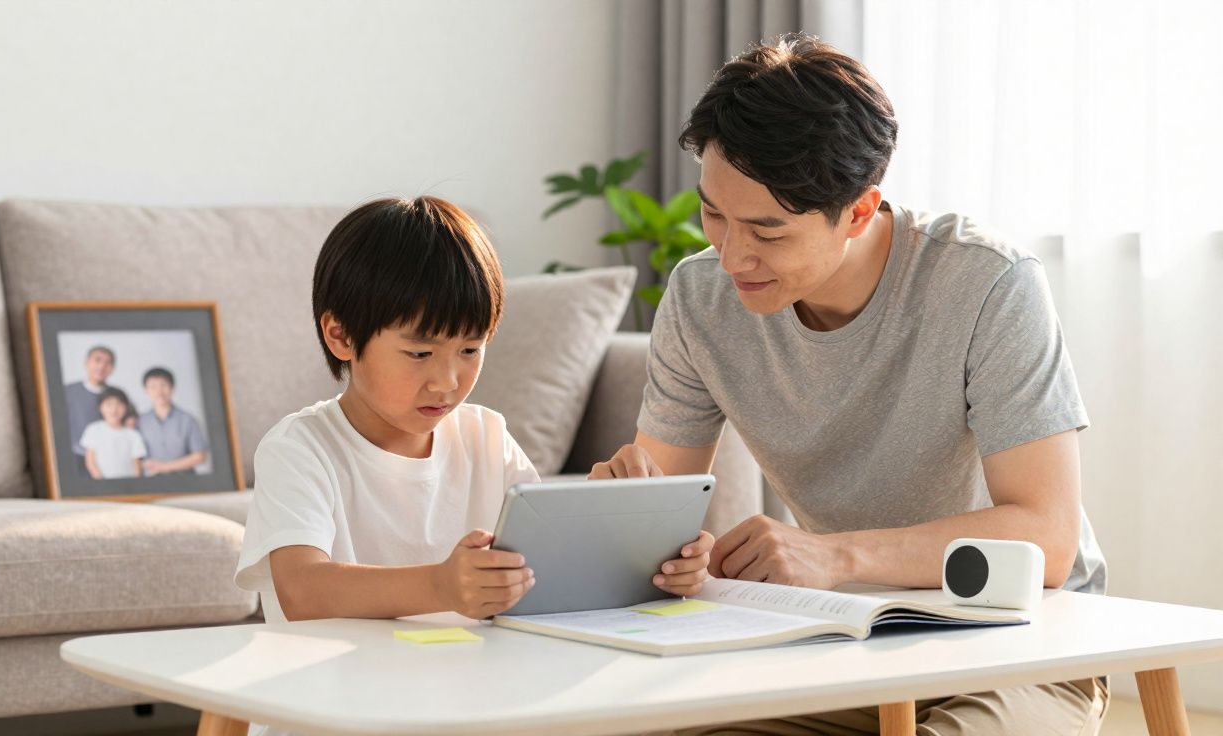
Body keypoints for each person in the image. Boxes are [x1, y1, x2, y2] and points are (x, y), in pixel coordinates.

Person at [590, 35, 1108, 734]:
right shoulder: (700, 298)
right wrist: (626, 521)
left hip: (1023, 636)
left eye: (768, 232)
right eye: (714, 215)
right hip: (842, 638)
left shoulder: (987, 282)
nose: (732, 256)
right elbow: (660, 521)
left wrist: (836, 555)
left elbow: (1046, 538)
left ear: (860, 211)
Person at [234, 196, 716, 731]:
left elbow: (545, 569)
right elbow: (303, 589)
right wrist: (440, 587)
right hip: (334, 717)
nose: (447, 381)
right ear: (341, 335)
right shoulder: (300, 448)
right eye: (420, 354)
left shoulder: (485, 436)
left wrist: (640, 545)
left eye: (470, 350)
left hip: (467, 709)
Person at [64, 345, 136, 475]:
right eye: (97, 360)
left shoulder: (116, 395)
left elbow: (131, 419)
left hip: (107, 461)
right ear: (87, 363)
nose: (102, 366)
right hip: (74, 458)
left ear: (112, 368)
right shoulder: (68, 391)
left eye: (108, 363)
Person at [138, 366, 209, 475]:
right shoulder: (140, 421)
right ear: (146, 390)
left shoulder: (187, 420)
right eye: (153, 387)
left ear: (172, 388)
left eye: (163, 385)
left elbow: (200, 456)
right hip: (153, 480)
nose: (159, 392)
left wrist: (165, 467)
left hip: (185, 480)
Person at [79, 387, 146, 479]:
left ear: (126, 407)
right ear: (100, 407)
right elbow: (90, 462)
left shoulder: (133, 435)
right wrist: (102, 482)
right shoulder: (93, 429)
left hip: (128, 483)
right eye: (109, 404)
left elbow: (137, 465)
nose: (114, 409)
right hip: (103, 483)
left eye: (119, 404)